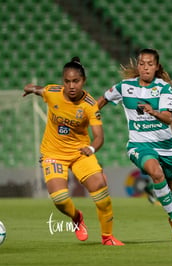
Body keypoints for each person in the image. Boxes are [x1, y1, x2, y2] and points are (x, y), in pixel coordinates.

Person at [23, 57, 123, 246]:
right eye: (67, 81)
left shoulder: (89, 104)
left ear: (83, 81)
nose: (71, 86)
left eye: (75, 81)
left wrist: (92, 148)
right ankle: (77, 217)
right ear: (63, 81)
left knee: (101, 192)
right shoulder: (53, 92)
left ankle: (107, 237)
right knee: (60, 199)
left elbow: (99, 136)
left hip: (80, 153)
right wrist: (30, 88)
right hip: (53, 154)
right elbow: (39, 89)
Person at [97, 48, 172, 242]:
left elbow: (168, 118)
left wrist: (153, 111)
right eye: (142, 63)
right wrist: (85, 115)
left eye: (150, 64)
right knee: (156, 173)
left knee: (170, 187)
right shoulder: (124, 87)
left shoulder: (164, 88)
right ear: (138, 66)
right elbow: (102, 100)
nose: (145, 67)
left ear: (156, 67)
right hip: (139, 144)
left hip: (166, 145)